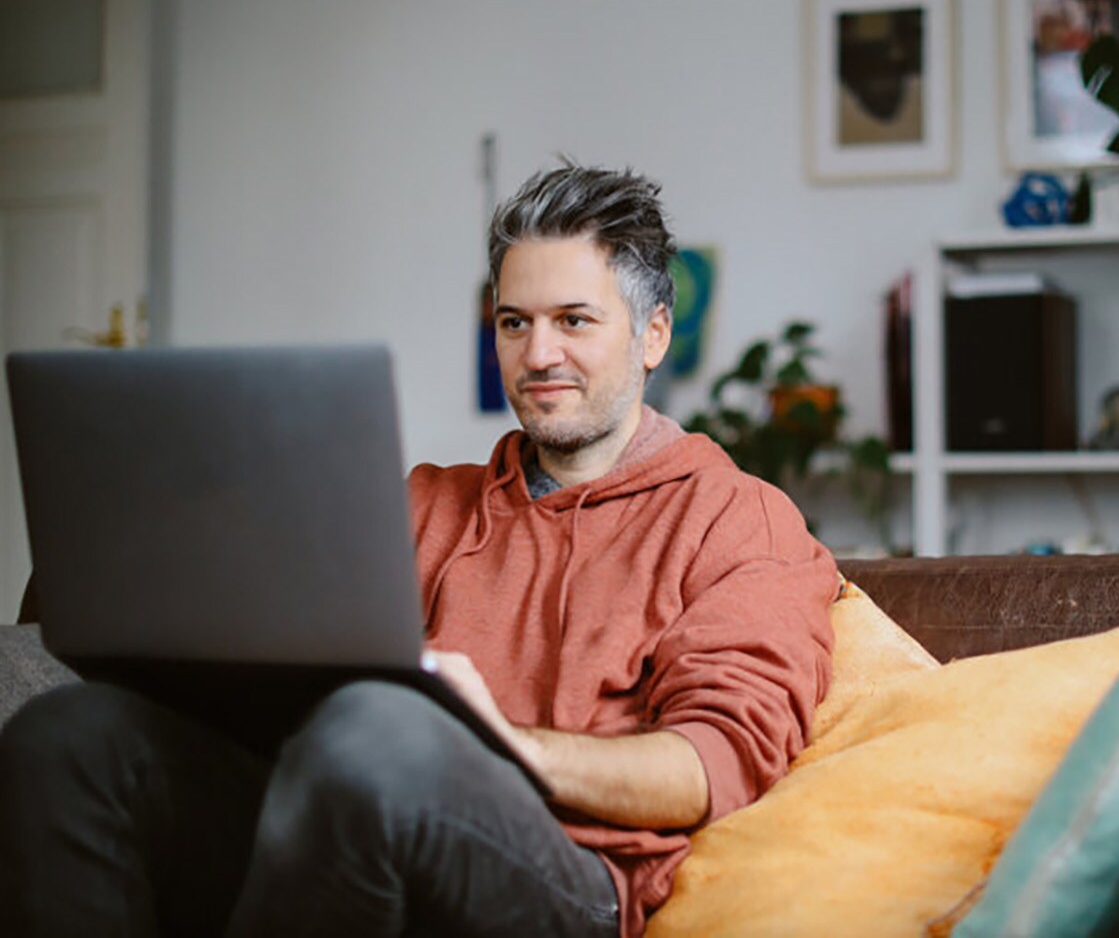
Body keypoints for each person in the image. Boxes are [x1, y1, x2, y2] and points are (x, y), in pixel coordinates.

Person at [0, 163, 839, 937]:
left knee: (379, 731)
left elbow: (711, 764)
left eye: (574, 321)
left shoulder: (738, 517)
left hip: (566, 874)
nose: (538, 354)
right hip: (338, 819)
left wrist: (501, 742)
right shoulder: (418, 500)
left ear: (653, 334)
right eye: (515, 323)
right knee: (71, 734)